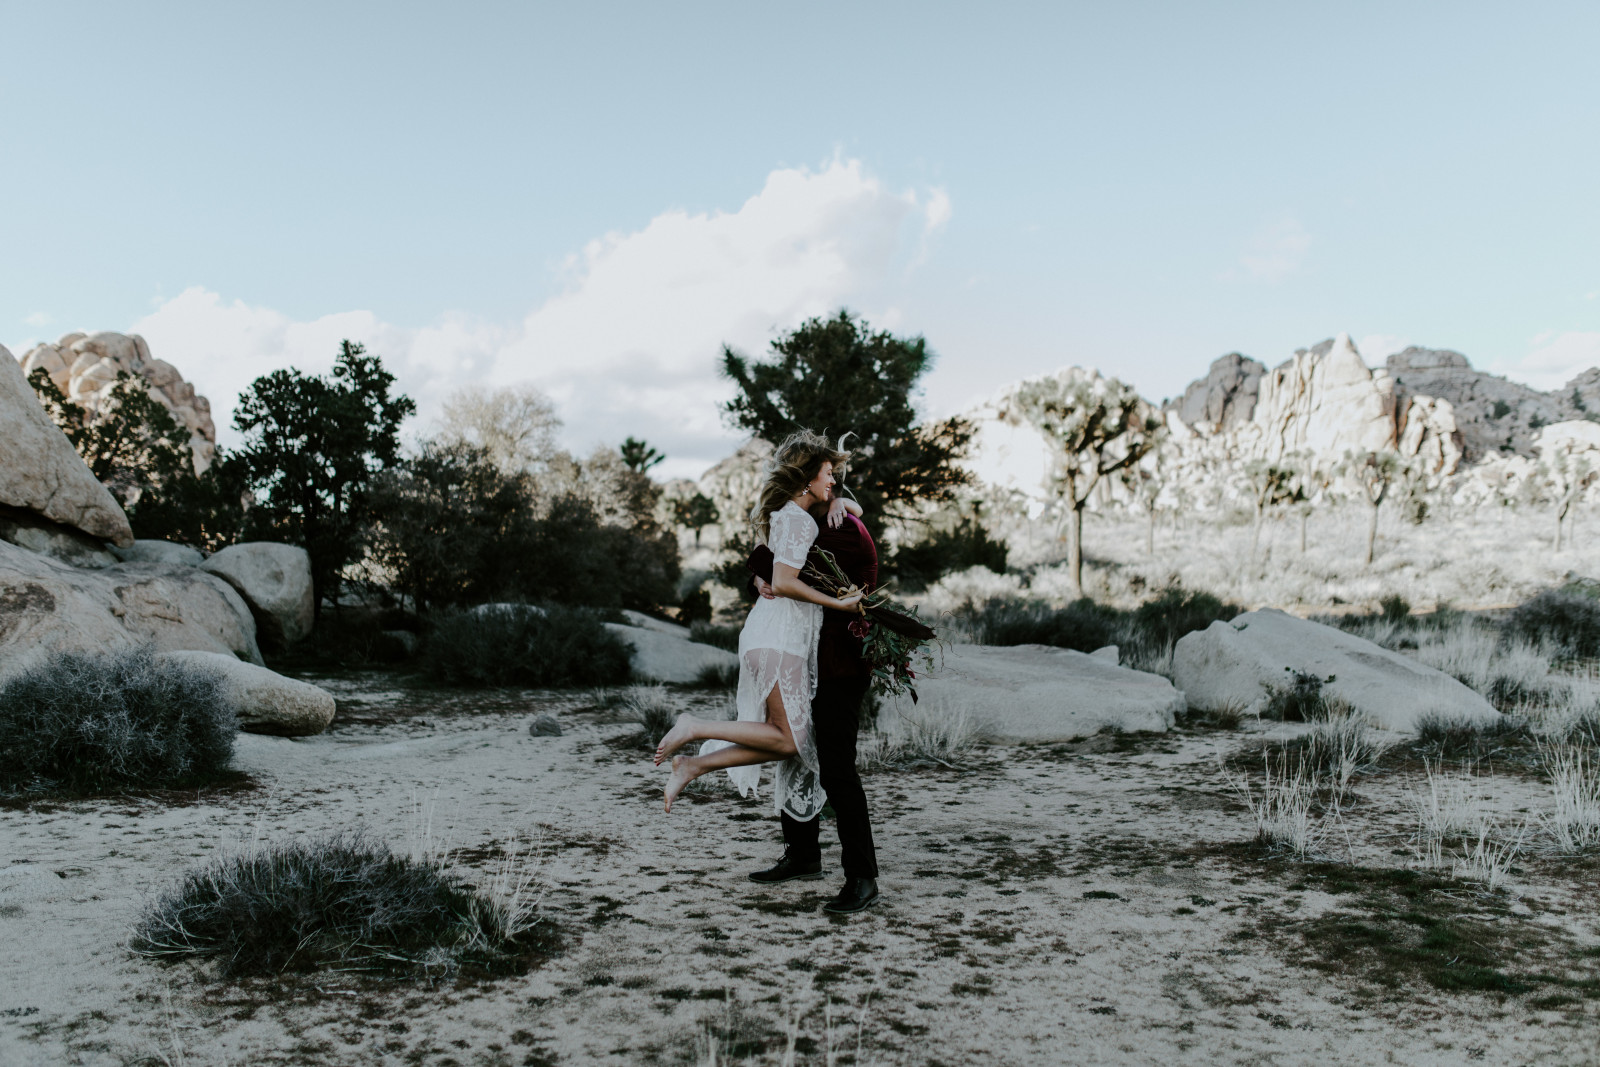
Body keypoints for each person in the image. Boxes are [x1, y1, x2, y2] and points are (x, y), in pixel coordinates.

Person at [654, 430, 863, 831]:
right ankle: (693, 728)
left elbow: (772, 573)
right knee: (789, 740)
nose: (833, 480)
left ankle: (692, 765)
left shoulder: (787, 514)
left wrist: (840, 501)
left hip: (768, 635)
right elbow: (783, 581)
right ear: (807, 479)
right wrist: (838, 602)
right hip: (779, 640)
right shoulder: (799, 521)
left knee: (784, 740)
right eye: (828, 474)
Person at [744, 491, 881, 914]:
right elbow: (766, 562)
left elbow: (776, 563)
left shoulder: (838, 530)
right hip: (809, 660)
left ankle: (863, 878)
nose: (833, 482)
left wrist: (766, 572)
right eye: (828, 477)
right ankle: (803, 855)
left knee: (838, 768)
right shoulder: (817, 522)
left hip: (839, 666)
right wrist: (760, 577)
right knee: (796, 753)